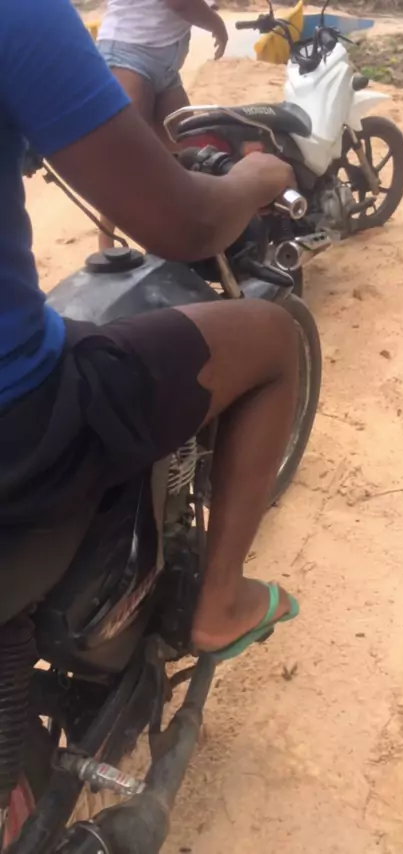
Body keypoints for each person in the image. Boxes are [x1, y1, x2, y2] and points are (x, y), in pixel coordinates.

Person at [0, 0, 300, 661]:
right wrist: (251, 178)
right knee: (274, 338)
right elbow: (189, 225)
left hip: (150, 74)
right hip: (18, 429)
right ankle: (220, 604)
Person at [96, 0, 229, 250]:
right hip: (129, 51)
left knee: (187, 153)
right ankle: (107, 248)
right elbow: (180, 3)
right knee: (128, 160)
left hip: (165, 66)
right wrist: (217, 25)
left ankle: (172, 243)